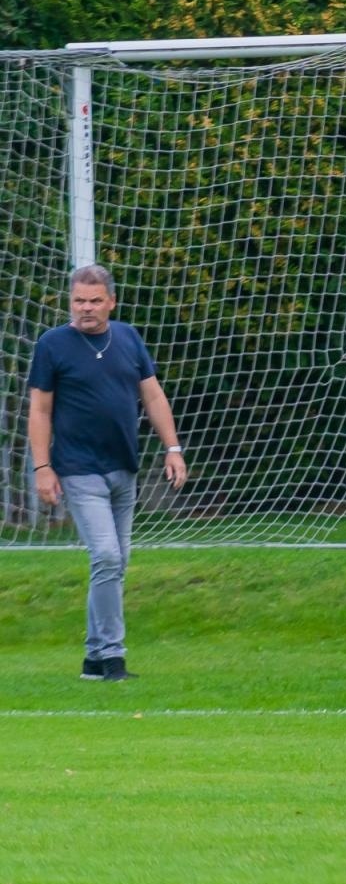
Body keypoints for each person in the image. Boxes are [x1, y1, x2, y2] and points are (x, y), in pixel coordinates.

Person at [27, 265, 189, 681]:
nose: (86, 308)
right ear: (70, 301)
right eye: (79, 300)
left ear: (110, 302)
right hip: (79, 470)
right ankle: (114, 658)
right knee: (106, 556)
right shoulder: (52, 345)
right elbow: (40, 410)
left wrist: (172, 448)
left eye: (95, 300)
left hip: (123, 467)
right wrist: (43, 467)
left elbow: (152, 396)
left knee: (116, 563)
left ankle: (93, 659)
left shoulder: (128, 338)